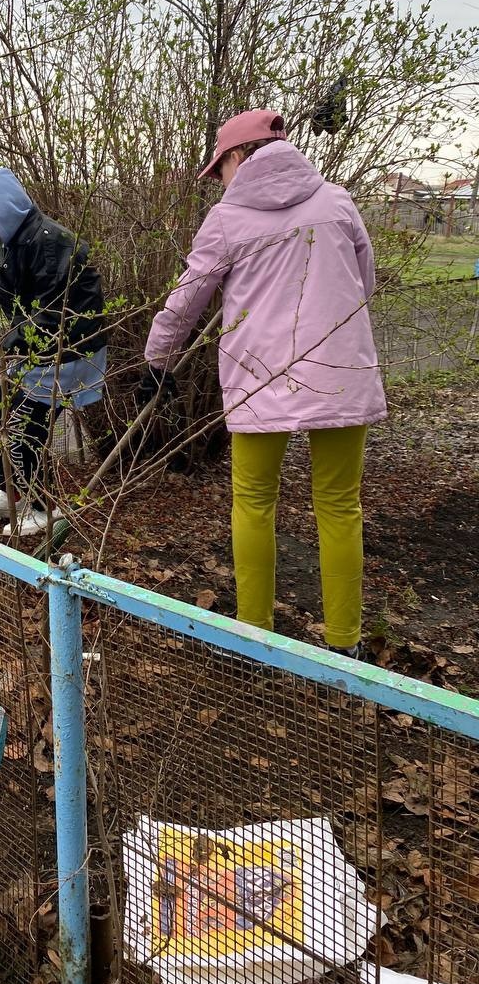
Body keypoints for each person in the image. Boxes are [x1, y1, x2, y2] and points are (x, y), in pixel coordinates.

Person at [142, 110, 386, 654]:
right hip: (341, 372)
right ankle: (344, 644)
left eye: (218, 169)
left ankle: (255, 636)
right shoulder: (337, 201)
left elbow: (187, 300)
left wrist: (156, 359)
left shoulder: (227, 219)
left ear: (235, 157)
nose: (220, 182)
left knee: (253, 501)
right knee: (340, 504)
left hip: (260, 378)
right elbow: (361, 285)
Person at [0, 168, 108, 537]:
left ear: (3, 210)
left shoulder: (51, 245)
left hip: (67, 355)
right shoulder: (15, 239)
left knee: (22, 429)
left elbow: (49, 315)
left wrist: (2, 355)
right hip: (35, 351)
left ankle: (44, 506)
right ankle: (10, 493)